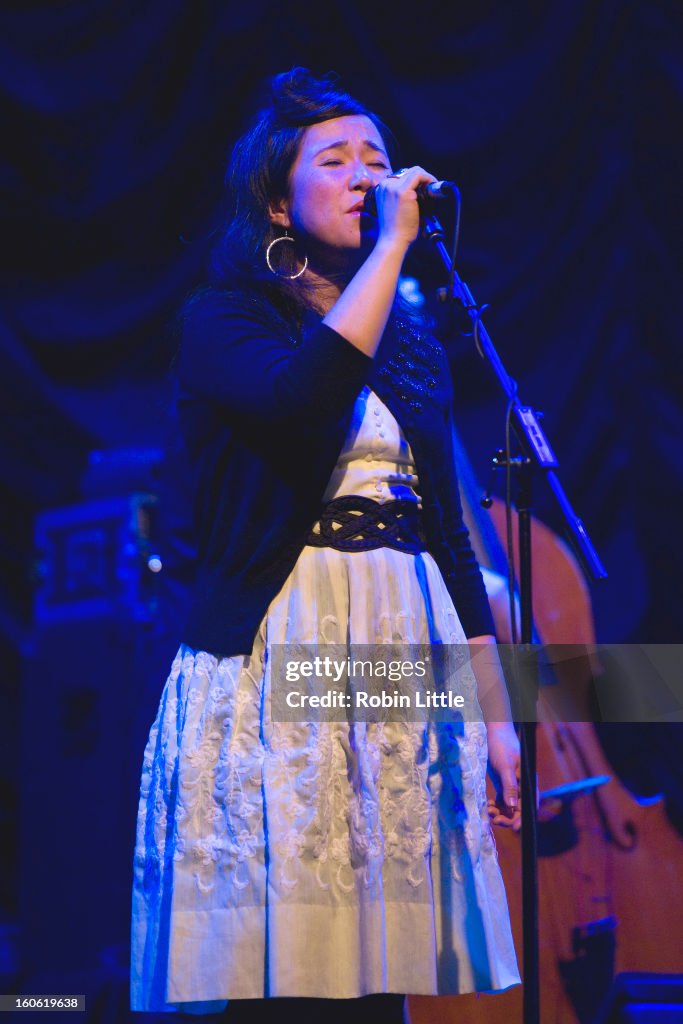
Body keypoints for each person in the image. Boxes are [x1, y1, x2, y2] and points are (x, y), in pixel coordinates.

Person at [130, 67, 521, 1022]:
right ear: (276, 197)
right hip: (286, 643)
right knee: (290, 954)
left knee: (376, 959)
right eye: (335, 159)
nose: (367, 176)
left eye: (379, 160)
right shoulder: (223, 320)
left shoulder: (411, 343)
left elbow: (451, 542)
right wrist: (392, 244)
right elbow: (300, 399)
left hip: (401, 642)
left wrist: (501, 717)